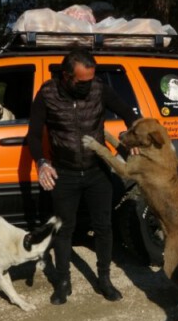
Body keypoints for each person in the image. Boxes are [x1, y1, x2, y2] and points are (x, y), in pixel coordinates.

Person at [27, 49, 139, 305]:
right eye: (83, 81)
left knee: (103, 227)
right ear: (66, 76)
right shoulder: (47, 94)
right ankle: (63, 282)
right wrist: (42, 163)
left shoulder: (99, 89)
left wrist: (135, 136)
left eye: (91, 79)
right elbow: (33, 135)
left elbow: (128, 112)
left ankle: (104, 280)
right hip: (64, 173)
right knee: (64, 230)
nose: (89, 85)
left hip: (97, 170)